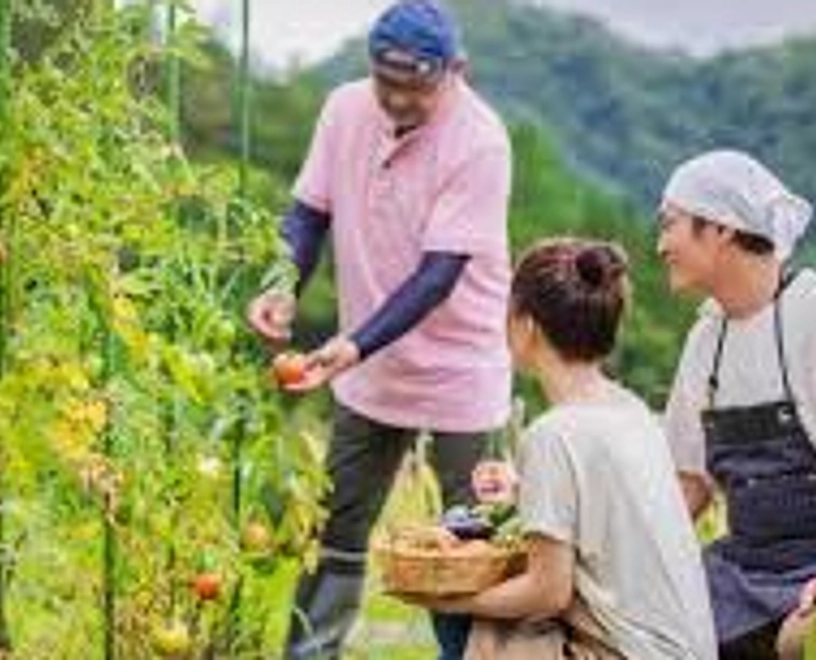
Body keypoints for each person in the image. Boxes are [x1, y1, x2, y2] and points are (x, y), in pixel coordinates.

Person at [244, 1, 513, 657]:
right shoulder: (344, 110)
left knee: (467, 543)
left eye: (415, 87)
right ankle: (310, 652)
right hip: (370, 372)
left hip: (460, 374)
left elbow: (437, 275)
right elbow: (308, 214)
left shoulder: (481, 142)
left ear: (456, 72)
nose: (396, 99)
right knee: (335, 526)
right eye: (384, 83)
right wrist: (282, 285)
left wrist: (352, 343)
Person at [400, 239, 717, 660]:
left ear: (527, 325)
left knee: (463, 616)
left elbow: (547, 592)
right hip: (686, 649)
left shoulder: (553, 434)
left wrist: (448, 602)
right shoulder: (630, 410)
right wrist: (521, 490)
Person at [658, 149, 816, 659]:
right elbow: (689, 484)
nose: (661, 245)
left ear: (721, 228)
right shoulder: (706, 341)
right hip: (742, 572)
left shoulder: (809, 316)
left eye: (671, 225)